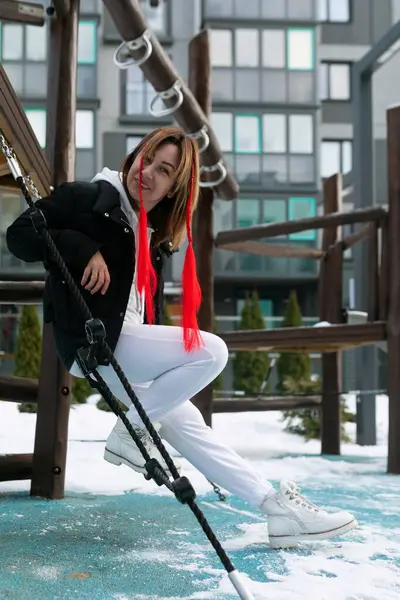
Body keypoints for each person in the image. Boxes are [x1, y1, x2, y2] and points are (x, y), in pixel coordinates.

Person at [6, 126, 358, 549]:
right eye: (147, 159)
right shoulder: (90, 197)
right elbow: (21, 235)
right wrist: (83, 249)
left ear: (175, 187)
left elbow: (143, 307)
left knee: (189, 425)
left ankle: (277, 510)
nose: (148, 172)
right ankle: (131, 432)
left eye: (164, 170)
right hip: (96, 343)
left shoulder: (150, 234)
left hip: (126, 346)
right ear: (135, 156)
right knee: (211, 351)